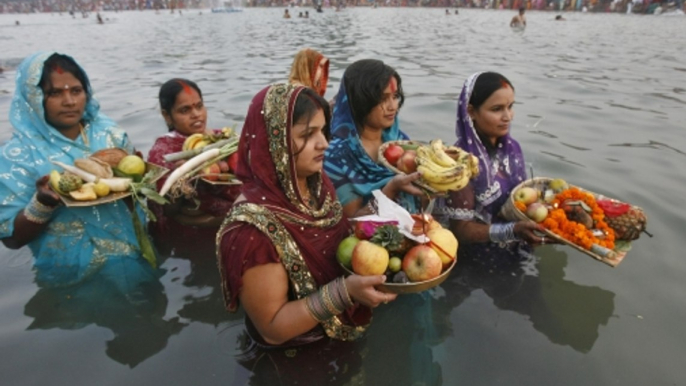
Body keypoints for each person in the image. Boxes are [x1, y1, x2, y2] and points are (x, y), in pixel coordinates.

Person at [217, 83, 395, 347]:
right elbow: (272, 329)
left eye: (323, 131)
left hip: (340, 338)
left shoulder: (315, 184)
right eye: (307, 135)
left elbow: (344, 238)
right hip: (294, 359)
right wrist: (345, 292)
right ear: (274, 143)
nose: (324, 143)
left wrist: (391, 192)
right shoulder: (251, 230)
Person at [0, 52, 156, 287]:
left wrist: (139, 183)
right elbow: (11, 239)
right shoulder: (17, 156)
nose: (70, 102)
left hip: (135, 259)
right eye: (54, 93)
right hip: (70, 277)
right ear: (32, 97)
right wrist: (43, 203)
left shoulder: (110, 135)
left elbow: (138, 204)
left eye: (76, 90)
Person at [435, 72, 545, 263]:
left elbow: (521, 202)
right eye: (497, 109)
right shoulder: (460, 162)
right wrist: (511, 230)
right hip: (477, 262)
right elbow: (460, 230)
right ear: (471, 112)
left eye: (510, 107)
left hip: (519, 246)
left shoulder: (512, 149)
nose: (507, 117)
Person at [147, 78, 240, 255]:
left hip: (227, 227)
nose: (197, 114)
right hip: (191, 241)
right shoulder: (163, 153)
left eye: (199, 106)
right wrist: (181, 180)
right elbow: (167, 210)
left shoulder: (222, 138)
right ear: (167, 116)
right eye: (185, 110)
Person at [324, 59, 424, 217]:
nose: (392, 106)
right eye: (383, 99)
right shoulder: (336, 156)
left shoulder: (400, 141)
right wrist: (390, 189)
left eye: (395, 96)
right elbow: (352, 223)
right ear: (360, 101)